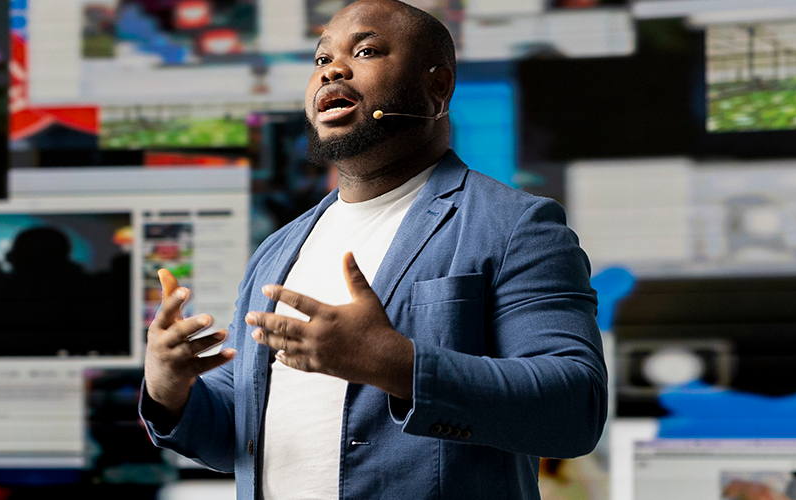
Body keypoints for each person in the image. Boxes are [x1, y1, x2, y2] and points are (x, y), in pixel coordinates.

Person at [139, 1, 606, 498]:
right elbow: (239, 436)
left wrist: (396, 364)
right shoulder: (276, 251)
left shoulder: (515, 225)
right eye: (321, 61)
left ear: (437, 86)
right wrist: (171, 391)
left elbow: (574, 409)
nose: (333, 70)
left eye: (365, 51)